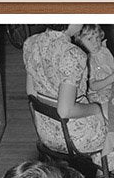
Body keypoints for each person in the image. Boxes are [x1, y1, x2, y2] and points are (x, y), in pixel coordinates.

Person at [22, 25, 107, 155]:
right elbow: (65, 111)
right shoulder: (72, 54)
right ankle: (103, 168)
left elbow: (31, 93)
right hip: (75, 137)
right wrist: (96, 109)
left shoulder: (31, 42)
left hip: (45, 132)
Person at [75, 24, 114, 100]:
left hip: (112, 88)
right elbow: (93, 86)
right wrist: (112, 78)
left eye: (97, 38)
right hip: (97, 96)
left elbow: (109, 67)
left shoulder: (103, 50)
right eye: (89, 39)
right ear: (80, 41)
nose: (95, 42)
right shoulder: (86, 60)